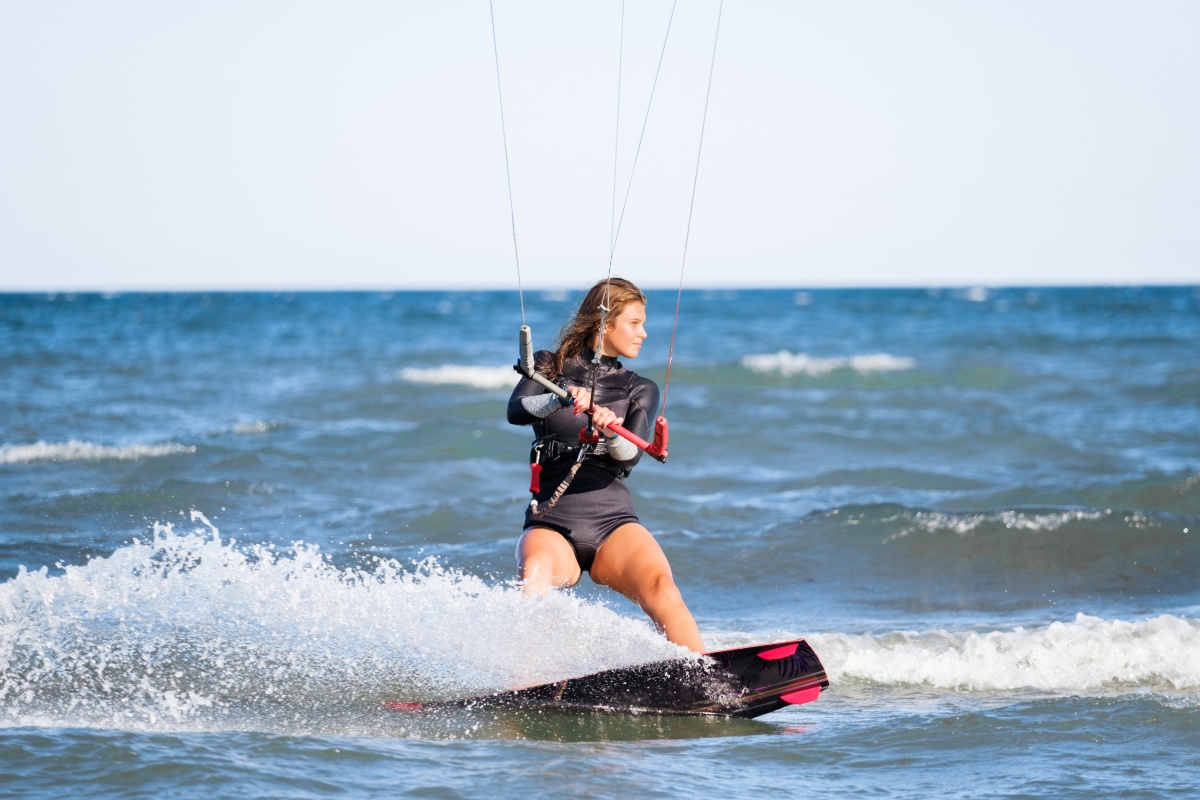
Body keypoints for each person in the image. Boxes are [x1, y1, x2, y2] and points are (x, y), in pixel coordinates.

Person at [507, 278, 705, 653]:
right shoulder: (549, 365)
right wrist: (560, 401)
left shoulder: (639, 388)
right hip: (552, 519)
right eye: (635, 323)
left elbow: (629, 456)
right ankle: (524, 678)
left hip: (613, 520)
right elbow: (516, 411)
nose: (643, 333)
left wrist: (609, 432)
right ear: (604, 323)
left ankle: (711, 676)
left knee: (663, 587)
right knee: (533, 577)